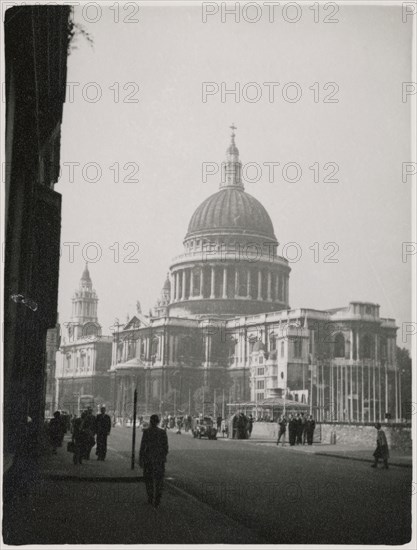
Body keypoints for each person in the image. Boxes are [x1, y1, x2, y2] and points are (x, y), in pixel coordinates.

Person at [139, 414, 169, 508]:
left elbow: (142, 447)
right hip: (159, 460)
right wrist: (163, 456)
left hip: (148, 459)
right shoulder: (162, 432)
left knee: (149, 479)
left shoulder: (147, 432)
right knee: (159, 480)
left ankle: (150, 498)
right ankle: (157, 500)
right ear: (158, 422)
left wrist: (141, 459)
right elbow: (166, 447)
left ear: (151, 422)